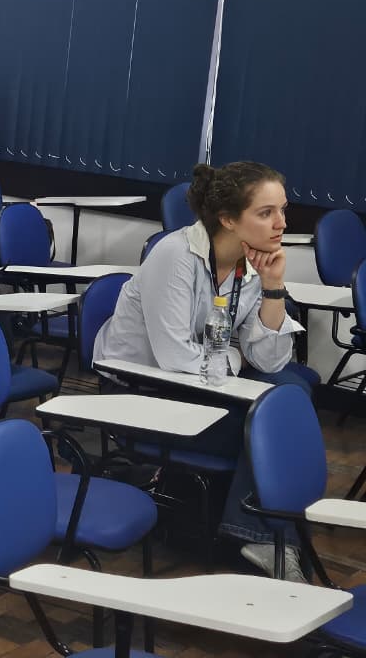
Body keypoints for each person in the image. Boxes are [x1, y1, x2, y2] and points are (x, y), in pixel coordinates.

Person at [93, 161, 315, 580]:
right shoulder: (175, 255)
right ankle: (263, 537)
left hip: (201, 384)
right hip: (141, 391)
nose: (281, 224)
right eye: (266, 213)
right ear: (229, 219)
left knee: (288, 389)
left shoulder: (252, 267)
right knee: (271, 420)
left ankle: (257, 534)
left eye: (283, 210)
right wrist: (235, 357)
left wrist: (273, 287)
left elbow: (268, 360)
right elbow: (175, 360)